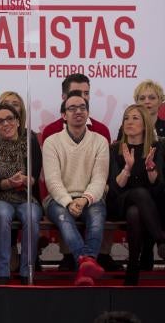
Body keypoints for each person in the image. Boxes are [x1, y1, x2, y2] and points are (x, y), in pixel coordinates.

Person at [40, 73, 118, 271]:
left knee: (97, 217)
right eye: (72, 108)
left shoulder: (100, 140)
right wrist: (69, 202)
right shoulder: (51, 141)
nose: (78, 111)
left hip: (90, 198)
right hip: (59, 199)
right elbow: (53, 181)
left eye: (83, 107)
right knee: (64, 218)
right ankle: (87, 260)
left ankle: (85, 263)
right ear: (64, 115)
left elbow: (99, 179)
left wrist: (84, 199)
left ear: (88, 112)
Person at [107, 104, 165, 285]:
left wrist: (150, 169)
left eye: (135, 118)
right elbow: (114, 188)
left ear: (145, 124)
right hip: (119, 202)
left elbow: (158, 187)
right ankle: (161, 241)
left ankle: (132, 267)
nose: (129, 122)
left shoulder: (156, 148)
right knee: (139, 194)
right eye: (126, 118)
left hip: (148, 206)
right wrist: (127, 168)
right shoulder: (115, 149)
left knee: (135, 212)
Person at [0, 103, 42, 284]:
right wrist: (9, 182)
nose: (6, 124)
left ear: (17, 121)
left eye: (10, 119)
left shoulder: (31, 142)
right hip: (0, 197)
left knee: (31, 216)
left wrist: (25, 180)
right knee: (3, 215)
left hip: (27, 196)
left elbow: (35, 174)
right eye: (0, 121)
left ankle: (27, 271)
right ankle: (2, 272)